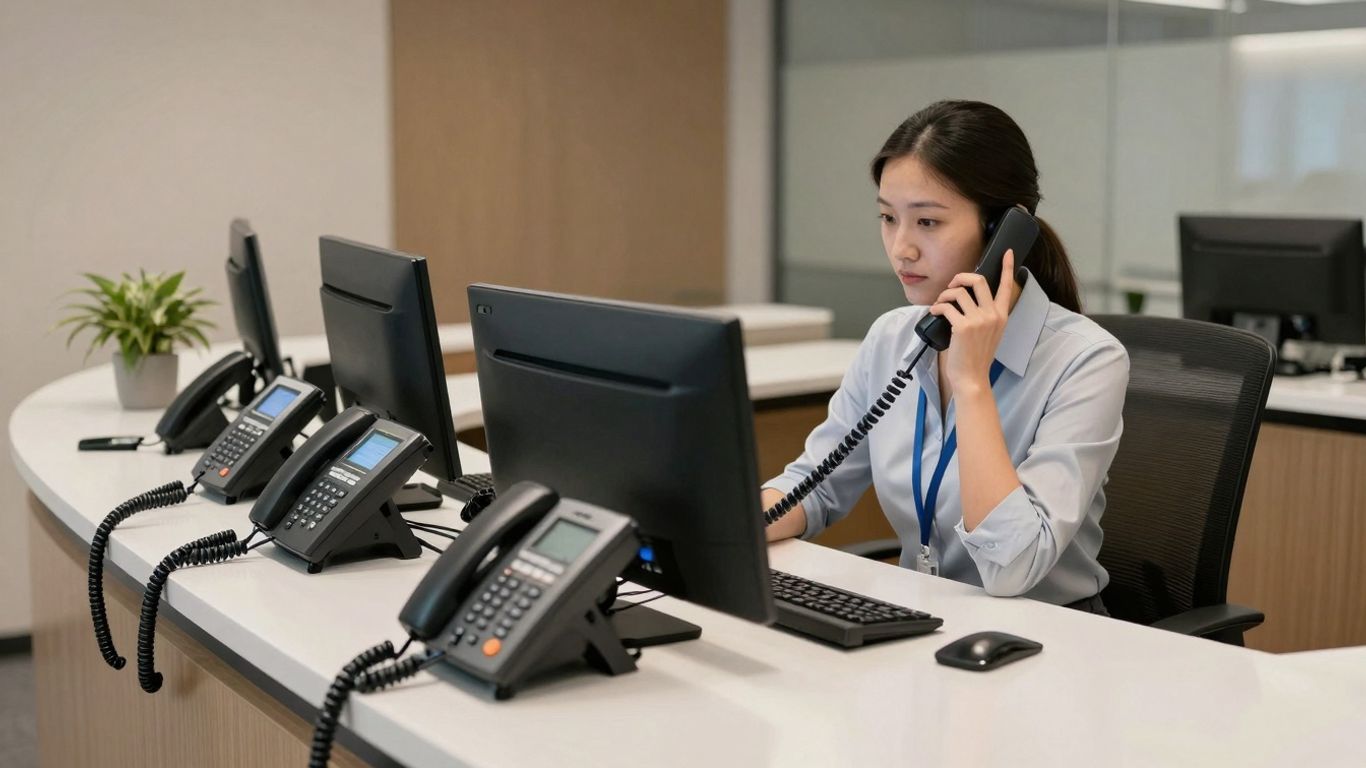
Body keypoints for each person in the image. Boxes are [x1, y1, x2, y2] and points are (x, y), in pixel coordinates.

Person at [762, 100, 1128, 614]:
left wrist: (972, 382)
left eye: (928, 223)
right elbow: (815, 488)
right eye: (888, 218)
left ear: (1005, 232)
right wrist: (727, 530)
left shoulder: (1086, 360)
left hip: (1048, 636)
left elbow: (1013, 567)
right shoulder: (893, 338)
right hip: (923, 619)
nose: (901, 248)